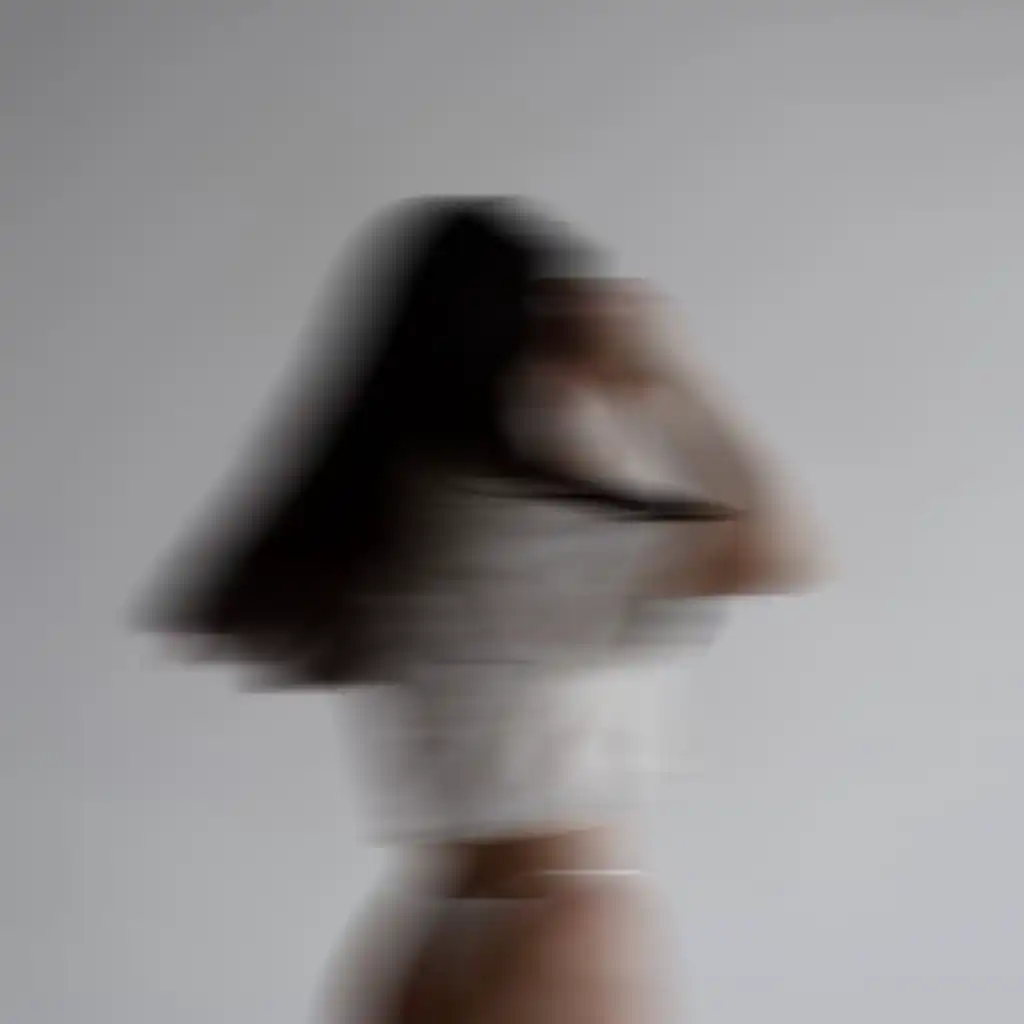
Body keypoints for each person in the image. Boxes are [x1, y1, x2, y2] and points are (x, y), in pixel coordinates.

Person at [142, 197, 821, 1023]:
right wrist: (668, 377)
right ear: (531, 349)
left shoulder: (406, 512)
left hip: (429, 923)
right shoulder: (538, 535)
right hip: (559, 916)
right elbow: (781, 548)